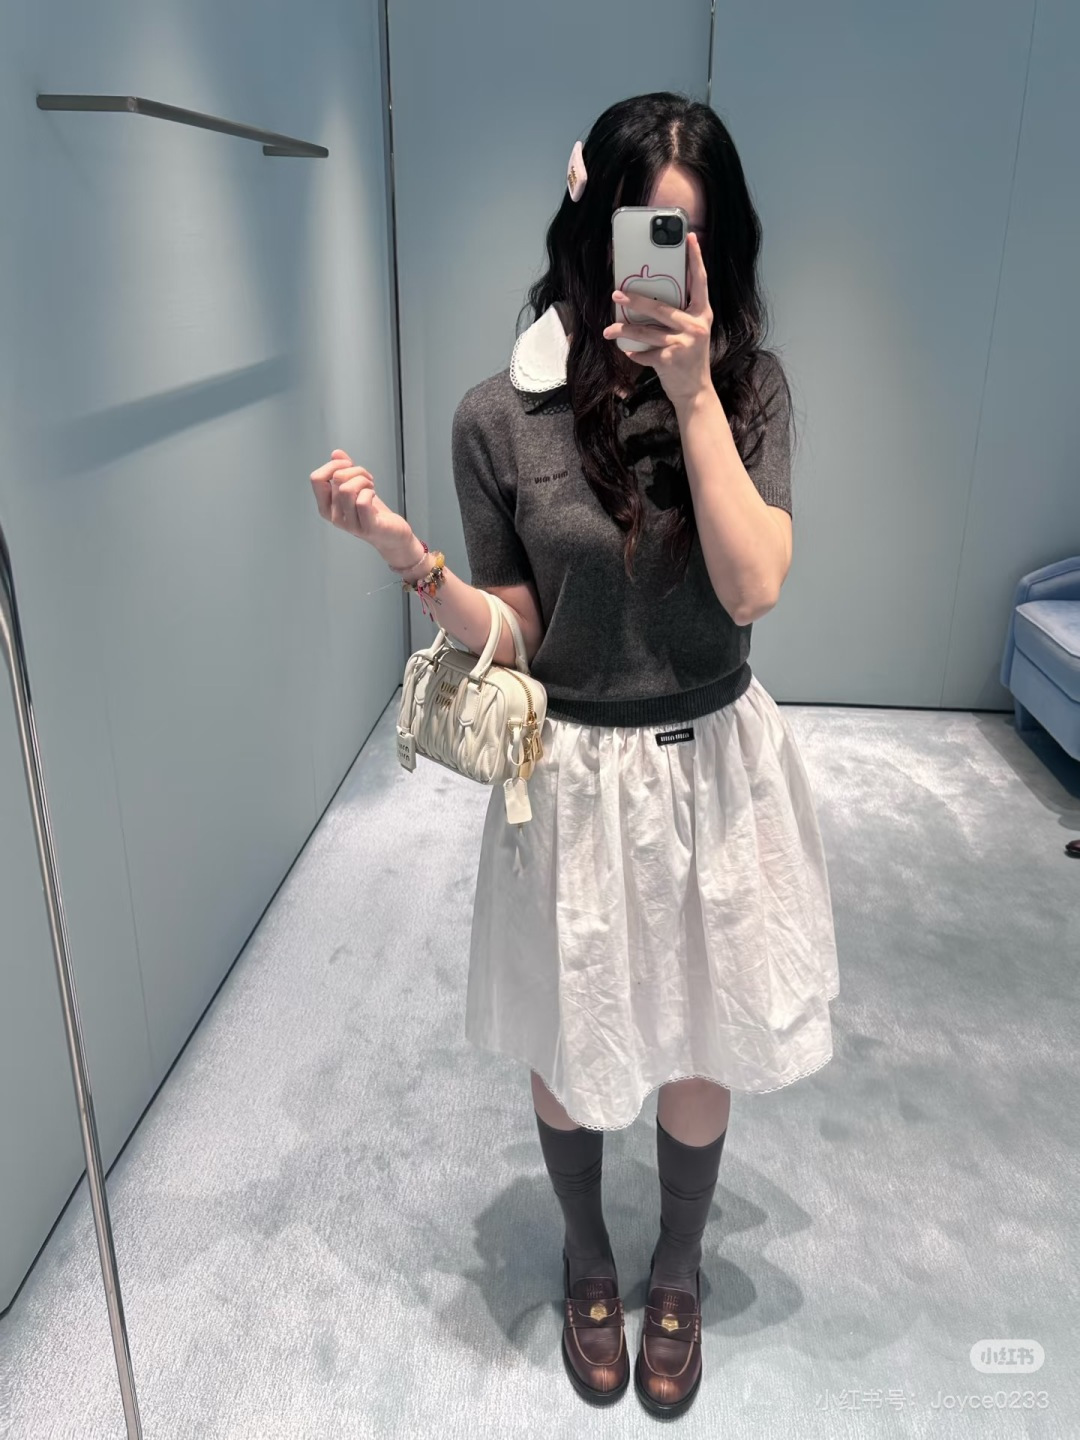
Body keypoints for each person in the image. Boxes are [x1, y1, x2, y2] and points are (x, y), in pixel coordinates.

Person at [309, 91, 839, 1420]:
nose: (662, 259)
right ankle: (589, 1258)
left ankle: (677, 1268)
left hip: (713, 764)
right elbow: (521, 632)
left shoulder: (751, 387)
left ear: (720, 246)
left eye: (687, 235)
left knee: (704, 1028)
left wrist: (693, 391)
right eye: (641, 227)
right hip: (576, 780)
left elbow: (754, 584)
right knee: (572, 1024)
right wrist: (412, 562)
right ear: (589, 223)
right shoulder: (500, 417)